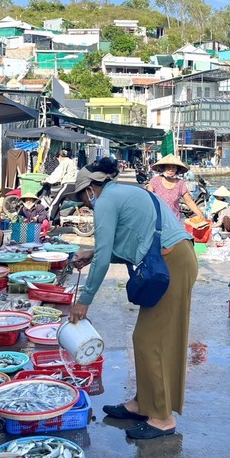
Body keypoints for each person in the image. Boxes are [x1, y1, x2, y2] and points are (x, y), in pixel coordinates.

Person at [68, 158, 197, 440]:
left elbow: (104, 256)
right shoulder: (122, 192)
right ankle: (142, 403)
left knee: (151, 340)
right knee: (147, 337)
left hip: (172, 262)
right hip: (172, 259)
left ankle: (162, 417)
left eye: (81, 197)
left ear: (91, 188)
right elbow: (127, 242)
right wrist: (92, 255)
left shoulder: (105, 201)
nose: (84, 203)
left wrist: (84, 301)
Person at [146, 154, 205, 221]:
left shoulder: (180, 184)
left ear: (177, 169)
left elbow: (189, 201)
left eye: (173, 167)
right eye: (168, 167)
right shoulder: (155, 181)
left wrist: (199, 213)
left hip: (174, 219)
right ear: (163, 168)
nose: (171, 169)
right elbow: (149, 199)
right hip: (157, 218)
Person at [41, 149, 79, 222]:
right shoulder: (72, 162)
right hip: (74, 185)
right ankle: (57, 222)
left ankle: (50, 221)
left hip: (68, 185)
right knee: (58, 202)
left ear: (60, 156)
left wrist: (46, 180)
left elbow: (57, 175)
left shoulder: (64, 162)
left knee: (54, 203)